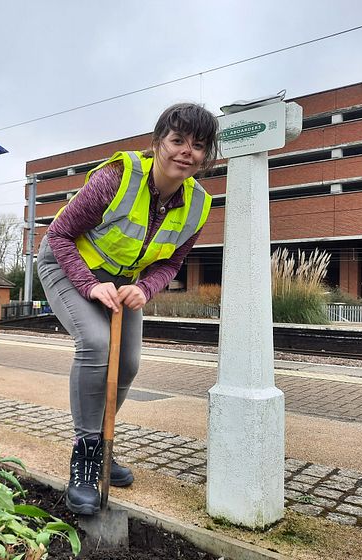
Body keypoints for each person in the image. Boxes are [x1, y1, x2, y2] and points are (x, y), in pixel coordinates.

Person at [36, 103, 219, 515]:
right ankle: (84, 458)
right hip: (68, 264)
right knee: (98, 345)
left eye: (198, 146)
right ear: (158, 143)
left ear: (205, 156)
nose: (186, 152)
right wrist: (88, 284)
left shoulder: (198, 205)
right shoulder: (116, 178)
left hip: (123, 281)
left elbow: (171, 263)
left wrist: (147, 288)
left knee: (130, 363)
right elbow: (61, 234)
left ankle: (102, 445)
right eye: (177, 141)